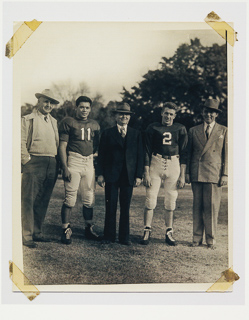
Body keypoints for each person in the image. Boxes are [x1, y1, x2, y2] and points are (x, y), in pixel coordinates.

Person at [141, 102, 188, 246]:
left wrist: (182, 175)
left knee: (171, 199)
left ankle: (169, 231)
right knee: (150, 198)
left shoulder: (180, 129)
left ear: (175, 115)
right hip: (156, 161)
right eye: (166, 113)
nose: (168, 116)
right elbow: (147, 151)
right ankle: (147, 229)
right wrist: (146, 172)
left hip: (174, 163)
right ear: (162, 113)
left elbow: (184, 153)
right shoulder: (152, 127)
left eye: (171, 114)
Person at [97, 102, 144, 245]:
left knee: (125, 207)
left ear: (130, 117)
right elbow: (101, 156)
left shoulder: (136, 134)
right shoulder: (107, 133)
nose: (124, 117)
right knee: (110, 205)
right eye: (121, 114)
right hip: (111, 174)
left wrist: (138, 175)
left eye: (127, 115)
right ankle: (109, 236)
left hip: (128, 175)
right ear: (116, 116)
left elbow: (140, 156)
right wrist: (100, 174)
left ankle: (124, 237)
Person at [185, 98, 228, 250]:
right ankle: (196, 238)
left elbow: (227, 155)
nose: (208, 114)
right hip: (197, 172)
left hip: (214, 174)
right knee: (197, 207)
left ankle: (211, 240)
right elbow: (189, 154)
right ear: (202, 112)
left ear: (216, 114)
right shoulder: (193, 130)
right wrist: (188, 173)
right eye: (206, 111)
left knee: (211, 207)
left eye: (212, 112)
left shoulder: (224, 130)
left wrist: (225, 174)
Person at [59, 95, 100, 244]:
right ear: (76, 108)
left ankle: (88, 227)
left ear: (90, 109)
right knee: (70, 198)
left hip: (88, 162)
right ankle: (65, 229)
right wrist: (64, 167)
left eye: (87, 107)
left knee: (89, 198)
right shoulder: (68, 122)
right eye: (81, 107)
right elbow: (62, 146)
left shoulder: (95, 124)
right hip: (74, 160)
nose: (84, 110)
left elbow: (96, 146)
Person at [21, 89, 59, 248]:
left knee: (43, 199)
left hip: (51, 162)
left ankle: (37, 232)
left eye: (51, 103)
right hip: (34, 161)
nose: (48, 105)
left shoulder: (53, 121)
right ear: (39, 101)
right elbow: (21, 141)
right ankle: (26, 235)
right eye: (45, 101)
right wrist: (26, 160)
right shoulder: (28, 119)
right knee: (28, 199)